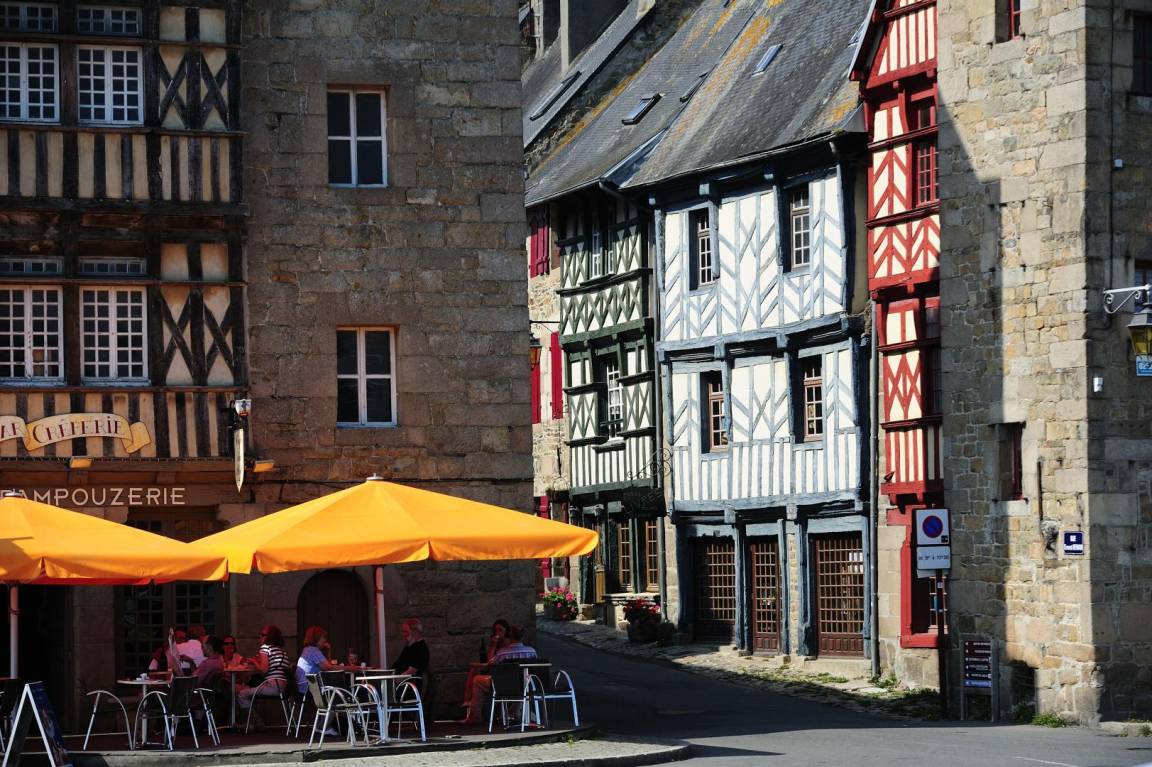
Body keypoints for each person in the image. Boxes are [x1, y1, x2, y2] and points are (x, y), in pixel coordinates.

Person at [459, 625, 536, 724]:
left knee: (477, 679)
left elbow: (490, 665)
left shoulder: (502, 653)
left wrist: (493, 646)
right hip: (525, 685)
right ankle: (513, 713)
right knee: (521, 684)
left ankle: (475, 715)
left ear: (510, 635)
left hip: (503, 686)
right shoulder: (531, 651)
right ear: (523, 636)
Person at [237, 625, 292, 711]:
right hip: (284, 688)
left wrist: (254, 661)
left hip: (273, 686)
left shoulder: (265, 648)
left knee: (242, 694)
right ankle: (255, 717)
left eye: (263, 635)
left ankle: (253, 718)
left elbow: (264, 670)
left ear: (270, 637)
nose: (260, 636)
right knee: (248, 690)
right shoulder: (282, 651)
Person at [295, 625, 343, 694]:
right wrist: (354, 668)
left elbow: (327, 666)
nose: (325, 640)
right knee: (339, 683)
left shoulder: (307, 649)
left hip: (303, 688)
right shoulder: (313, 650)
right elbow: (329, 668)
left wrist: (329, 650)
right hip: (309, 690)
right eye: (323, 637)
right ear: (316, 638)